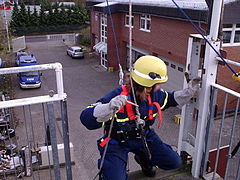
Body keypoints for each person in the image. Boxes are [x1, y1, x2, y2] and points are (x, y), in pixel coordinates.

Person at [80, 55, 201, 180]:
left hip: (144, 137)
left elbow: (170, 99)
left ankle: (144, 159)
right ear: (148, 85)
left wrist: (188, 92)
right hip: (117, 142)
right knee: (115, 177)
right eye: (158, 84)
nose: (161, 86)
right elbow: (86, 118)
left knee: (174, 162)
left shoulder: (155, 95)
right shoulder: (117, 97)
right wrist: (108, 108)